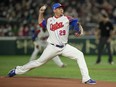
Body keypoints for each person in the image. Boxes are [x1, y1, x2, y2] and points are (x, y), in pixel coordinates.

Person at [8, 3, 96, 84]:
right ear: (54, 10)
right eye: (59, 8)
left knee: (79, 55)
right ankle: (16, 70)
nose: (61, 9)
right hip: (52, 47)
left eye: (62, 8)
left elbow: (75, 23)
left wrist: (77, 30)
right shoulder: (49, 20)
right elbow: (40, 24)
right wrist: (40, 13)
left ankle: (86, 78)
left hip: (65, 47)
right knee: (38, 62)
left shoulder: (67, 18)